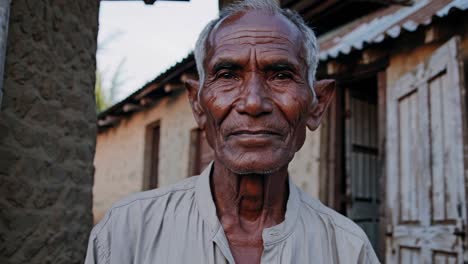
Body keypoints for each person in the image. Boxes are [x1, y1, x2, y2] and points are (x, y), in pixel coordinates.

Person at [85, 0, 380, 263]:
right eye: (227, 75)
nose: (253, 102)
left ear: (317, 106)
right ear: (197, 105)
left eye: (281, 75)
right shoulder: (127, 233)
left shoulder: (347, 249)